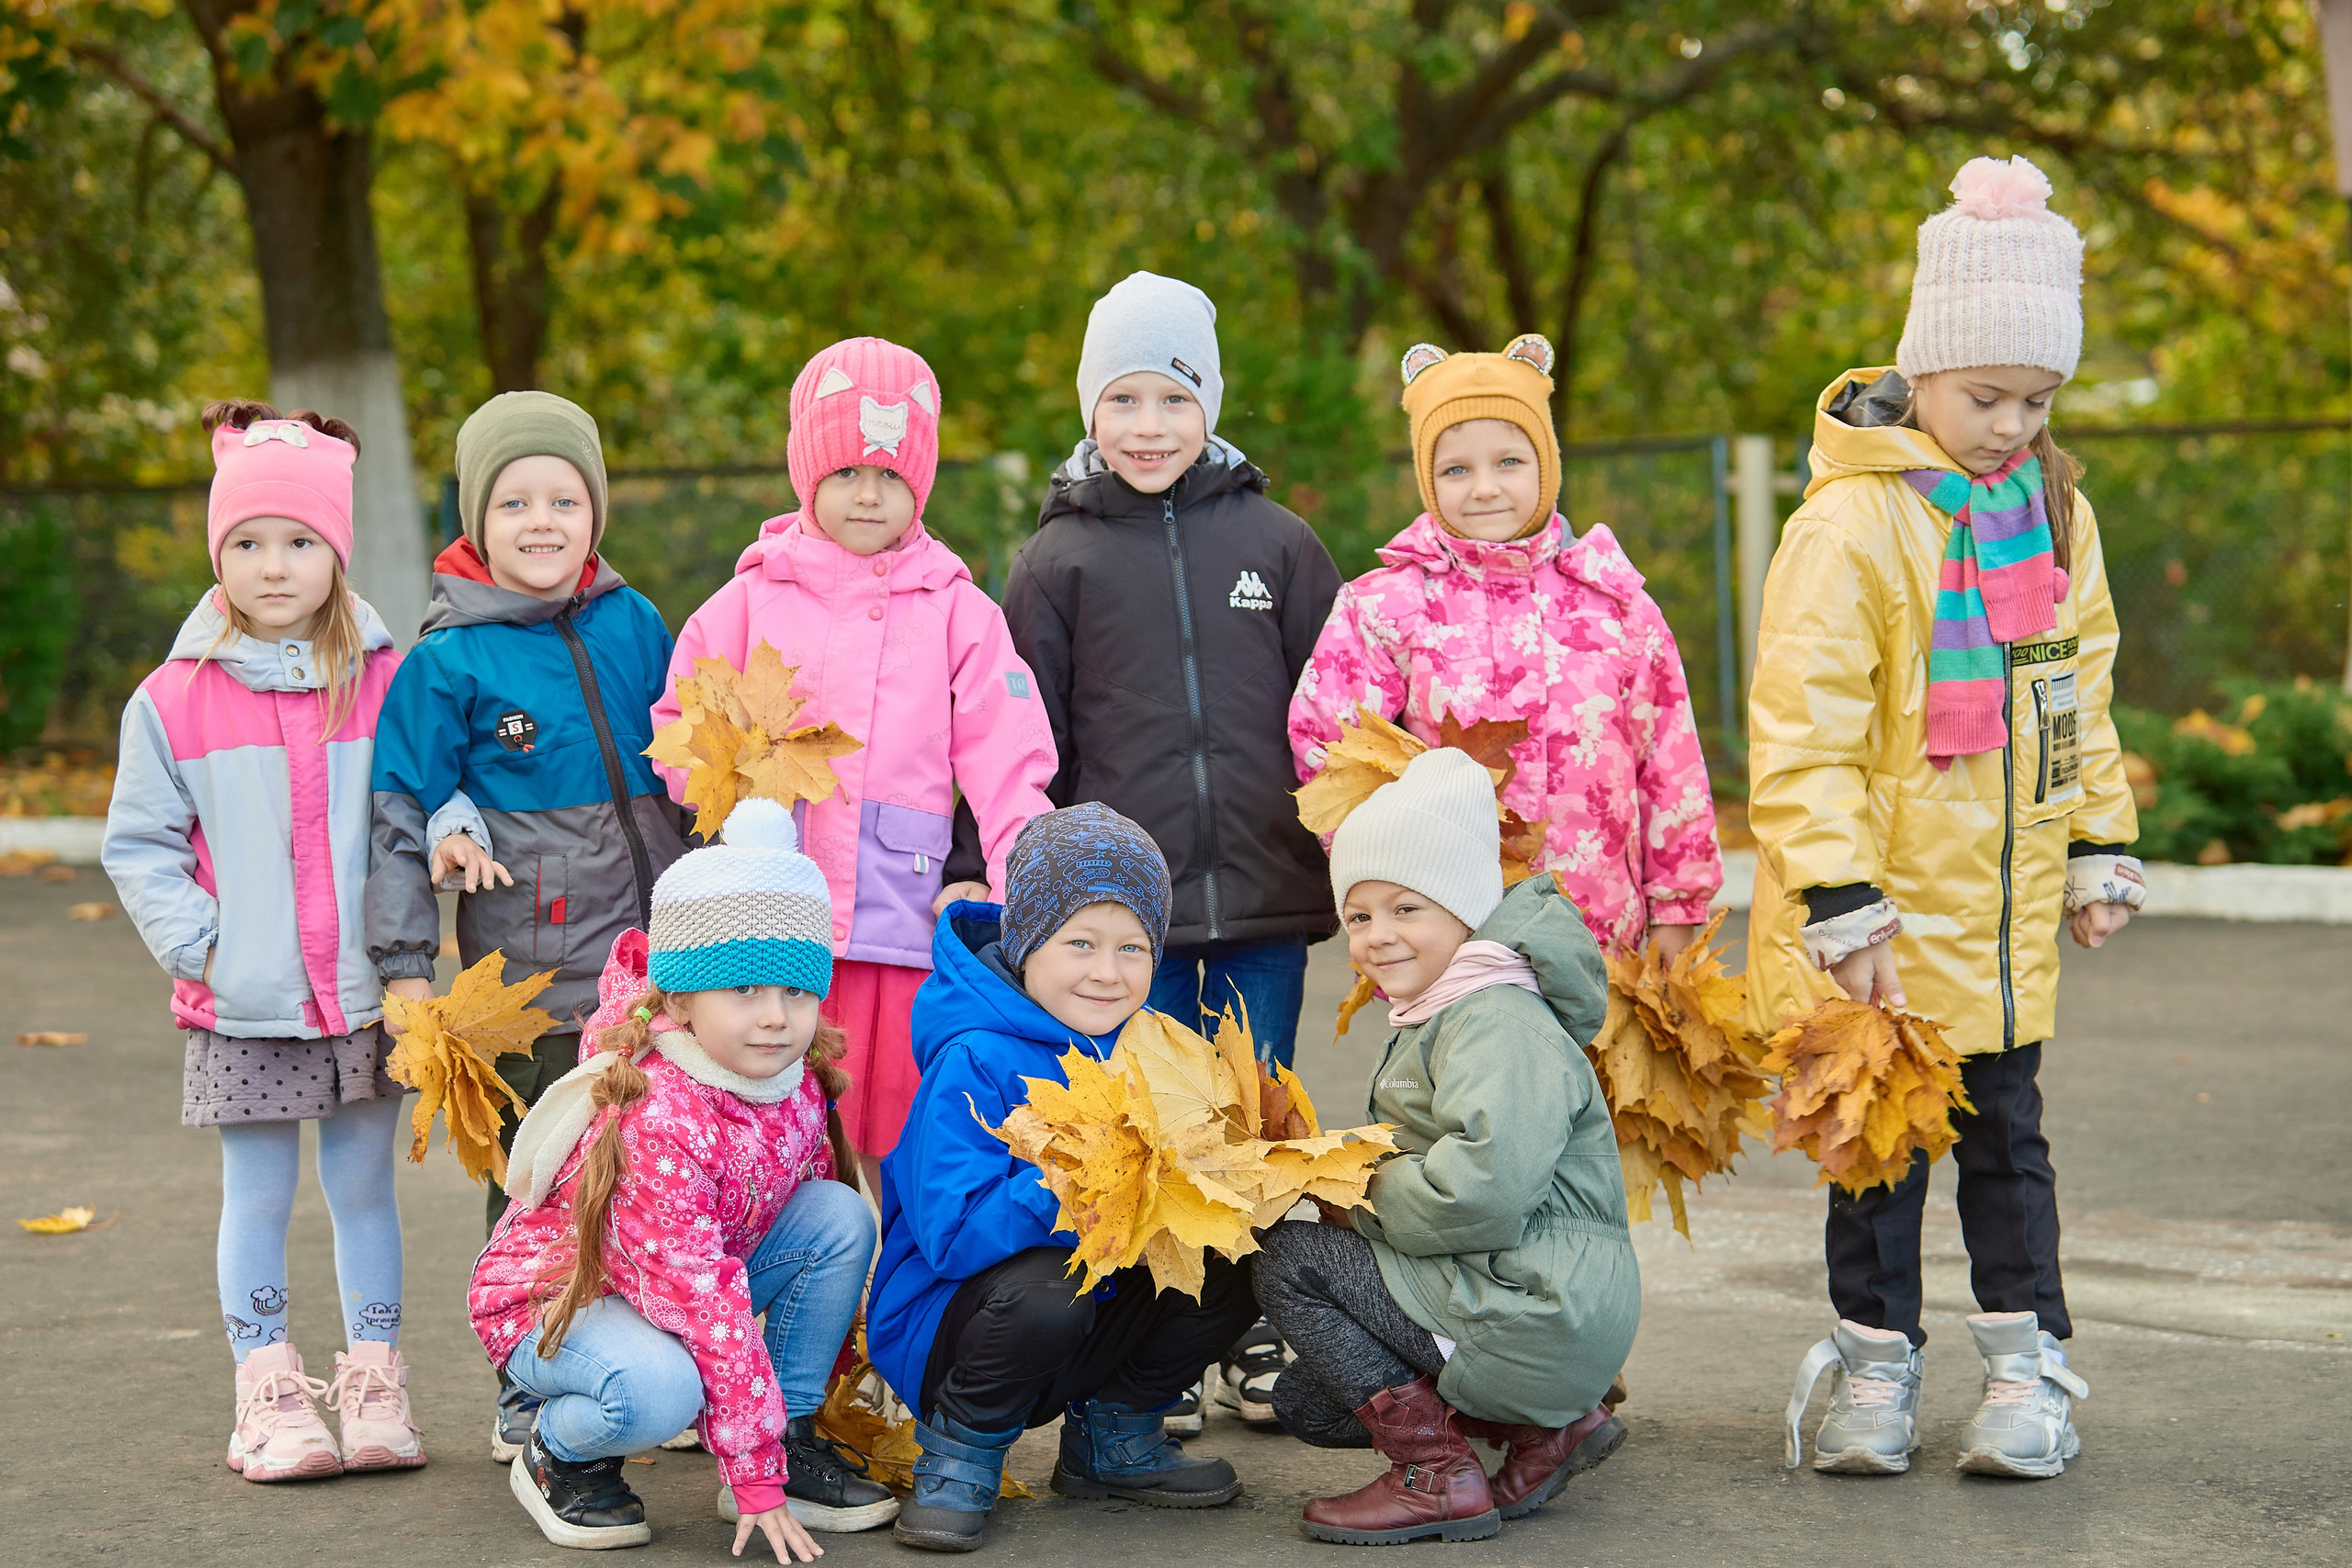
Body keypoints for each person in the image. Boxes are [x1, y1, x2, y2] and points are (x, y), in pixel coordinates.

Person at [1747, 154, 2145, 1480]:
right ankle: (1875, 1371)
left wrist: (2097, 839)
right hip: (1881, 921)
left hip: (2004, 913)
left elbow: (2071, 688)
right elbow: (1802, 727)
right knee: (1875, 1158)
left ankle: (2027, 1374)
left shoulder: (2053, 509)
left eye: (2037, 399)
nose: (2010, 425)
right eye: (1986, 395)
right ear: (1923, 370)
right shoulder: (1852, 524)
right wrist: (1840, 896)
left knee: (2007, 1154)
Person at [996, 270, 1340, 1427]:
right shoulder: (1057, 562)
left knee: (1249, 1120)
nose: (1148, 429)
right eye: (1124, 402)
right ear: (1091, 410)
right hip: (1122, 923)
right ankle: (1152, 1352)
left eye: (1173, 402)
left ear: (1211, 407)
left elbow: (1334, 717)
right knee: (1139, 1124)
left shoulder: (1281, 546)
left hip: (1261, 897)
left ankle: (1238, 1328)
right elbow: (1019, 737)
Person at [650, 337, 1057, 1200]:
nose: (868, 494)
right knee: (782, 1135)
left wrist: (1014, 880)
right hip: (777, 923)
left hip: (902, 918)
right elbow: (684, 731)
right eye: (844, 473)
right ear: (807, 476)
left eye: (891, 476)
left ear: (922, 484)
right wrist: (745, 786)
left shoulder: (957, 609)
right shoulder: (750, 599)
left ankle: (891, 1310)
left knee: (900, 1132)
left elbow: (1006, 754)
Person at [104, 400, 427, 1482]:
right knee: (256, 1195)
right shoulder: (173, 701)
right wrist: (202, 947)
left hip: (363, 996)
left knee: (364, 1190)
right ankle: (269, 1396)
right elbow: (140, 843)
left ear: (336, 553)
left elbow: (426, 795)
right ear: (218, 554)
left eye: (299, 542)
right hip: (242, 1001)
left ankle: (375, 1383)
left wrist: (459, 829)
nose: (274, 565)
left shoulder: (385, 682)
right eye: (247, 542)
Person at [366, 389, 692, 1459]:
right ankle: (529, 1378)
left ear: (595, 512)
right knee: (541, 1175)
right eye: (514, 502)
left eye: (565, 498)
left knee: (652, 1168)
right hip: (537, 972)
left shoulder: (637, 621)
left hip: (660, 970)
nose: (542, 520)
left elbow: (685, 769)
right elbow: (402, 808)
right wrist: (407, 962)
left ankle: (661, 1366)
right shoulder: (447, 662)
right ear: (475, 519)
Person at [470, 799, 892, 1555]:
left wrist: (759, 1448)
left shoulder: (789, 1077)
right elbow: (706, 1298)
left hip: (672, 1285)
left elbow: (742, 1270)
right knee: (661, 1389)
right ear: (680, 999)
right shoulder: (662, 1114)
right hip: (557, 1299)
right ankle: (559, 1450)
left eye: (796, 991)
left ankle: (787, 1436)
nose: (775, 1017)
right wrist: (748, 1472)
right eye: (745, 991)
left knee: (838, 1213)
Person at [1252, 748, 1638, 1545]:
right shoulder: (1454, 1004)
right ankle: (1550, 1428)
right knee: (1310, 1399)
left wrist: (1354, 1194)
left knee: (1291, 1260)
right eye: (1359, 916)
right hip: (1526, 1297)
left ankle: (1437, 1477)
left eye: (1406, 909)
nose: (1377, 936)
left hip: (1536, 1304)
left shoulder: (1494, 1018)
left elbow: (1483, 1192)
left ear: (1464, 907)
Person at [865, 804, 1256, 1552]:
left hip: (1092, 1309)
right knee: (1051, 1281)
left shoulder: (1150, 1050)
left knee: (1239, 1253)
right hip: (958, 1323)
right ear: (1026, 941)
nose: (1107, 972)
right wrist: (1074, 1183)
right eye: (1080, 942)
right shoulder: (973, 1056)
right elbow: (950, 1239)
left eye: (1133, 948)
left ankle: (1115, 1433)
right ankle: (959, 1453)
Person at [1289, 333, 1721, 964]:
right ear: (1427, 479)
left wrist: (1678, 908)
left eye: (1509, 462)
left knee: (1599, 1064)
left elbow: (1670, 762)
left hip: (1602, 930)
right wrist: (1384, 888)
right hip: (1455, 938)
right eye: (1456, 469)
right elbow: (1333, 752)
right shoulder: (1385, 608)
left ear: (1546, 463)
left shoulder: (1617, 606)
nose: (1485, 487)